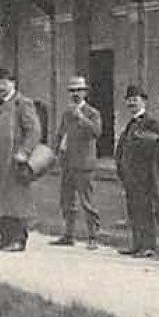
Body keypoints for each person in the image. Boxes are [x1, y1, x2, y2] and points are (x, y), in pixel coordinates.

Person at [0, 67, 42, 251]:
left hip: (13, 161)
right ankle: (4, 237)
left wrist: (24, 151)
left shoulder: (22, 103)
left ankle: (18, 239)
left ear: (13, 83)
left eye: (4, 82)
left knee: (16, 200)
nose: (0, 86)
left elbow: (34, 130)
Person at [113, 84, 159, 257]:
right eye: (129, 100)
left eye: (135, 100)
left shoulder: (150, 122)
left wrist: (146, 141)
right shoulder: (130, 124)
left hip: (145, 175)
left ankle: (148, 246)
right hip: (131, 176)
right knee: (134, 210)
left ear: (144, 102)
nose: (131, 103)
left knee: (145, 210)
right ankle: (137, 244)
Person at [52, 75, 104, 248]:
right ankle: (69, 234)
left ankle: (93, 237)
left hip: (84, 164)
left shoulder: (92, 113)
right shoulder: (67, 113)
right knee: (67, 201)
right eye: (72, 91)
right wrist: (56, 150)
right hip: (67, 162)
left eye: (79, 91)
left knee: (87, 202)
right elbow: (61, 134)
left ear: (85, 93)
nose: (75, 94)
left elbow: (97, 132)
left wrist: (81, 117)